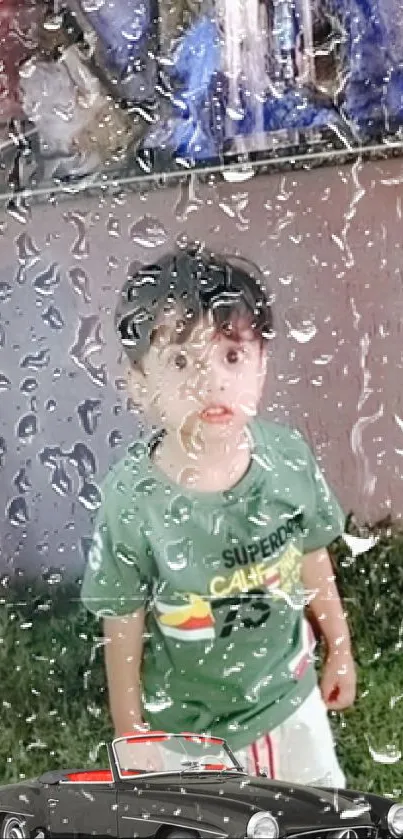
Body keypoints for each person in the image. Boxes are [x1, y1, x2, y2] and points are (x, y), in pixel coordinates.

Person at [81, 243, 356, 786]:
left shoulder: (286, 459)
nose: (211, 382)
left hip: (288, 695)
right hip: (188, 726)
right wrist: (131, 730)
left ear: (261, 366)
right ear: (139, 382)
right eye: (182, 361)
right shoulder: (132, 500)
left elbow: (310, 555)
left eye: (232, 356)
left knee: (317, 813)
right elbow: (123, 619)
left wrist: (340, 650)